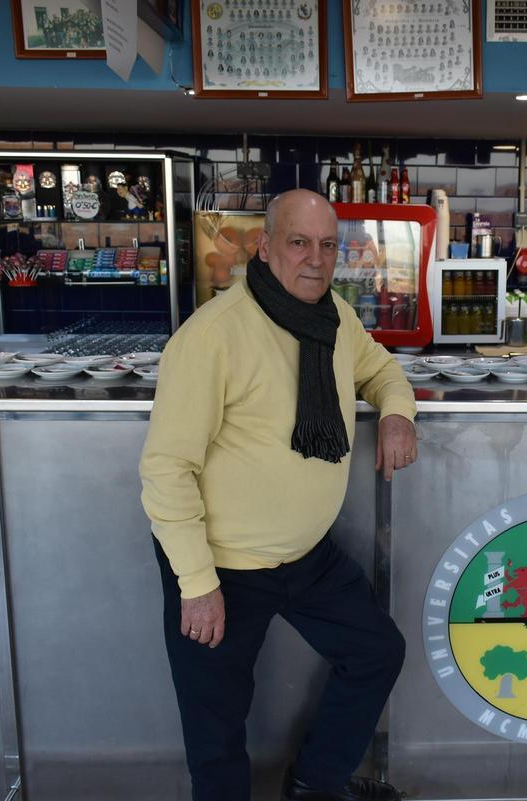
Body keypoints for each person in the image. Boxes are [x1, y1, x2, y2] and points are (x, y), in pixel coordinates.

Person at [140, 189, 418, 801]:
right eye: (298, 242)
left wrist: (397, 413)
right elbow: (166, 469)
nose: (315, 260)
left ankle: (315, 784)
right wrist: (197, 584)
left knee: (377, 652)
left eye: (327, 245)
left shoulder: (336, 318)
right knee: (216, 736)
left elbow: (382, 371)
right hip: (222, 567)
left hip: (306, 557)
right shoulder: (213, 335)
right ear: (265, 247)